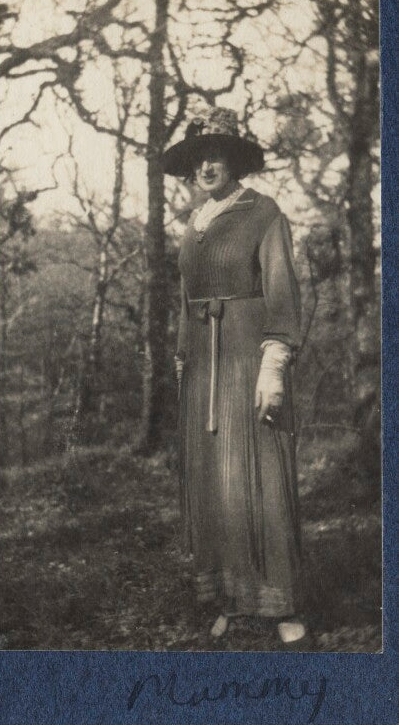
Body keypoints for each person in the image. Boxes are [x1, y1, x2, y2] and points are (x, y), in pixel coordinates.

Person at [162, 106, 309, 649]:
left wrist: (274, 367)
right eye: (199, 156)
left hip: (250, 358)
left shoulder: (264, 213)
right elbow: (185, 302)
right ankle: (230, 596)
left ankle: (281, 604)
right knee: (214, 485)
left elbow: (282, 293)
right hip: (203, 367)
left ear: (235, 160)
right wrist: (183, 358)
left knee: (261, 478)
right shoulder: (193, 224)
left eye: (217, 155)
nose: (207, 165)